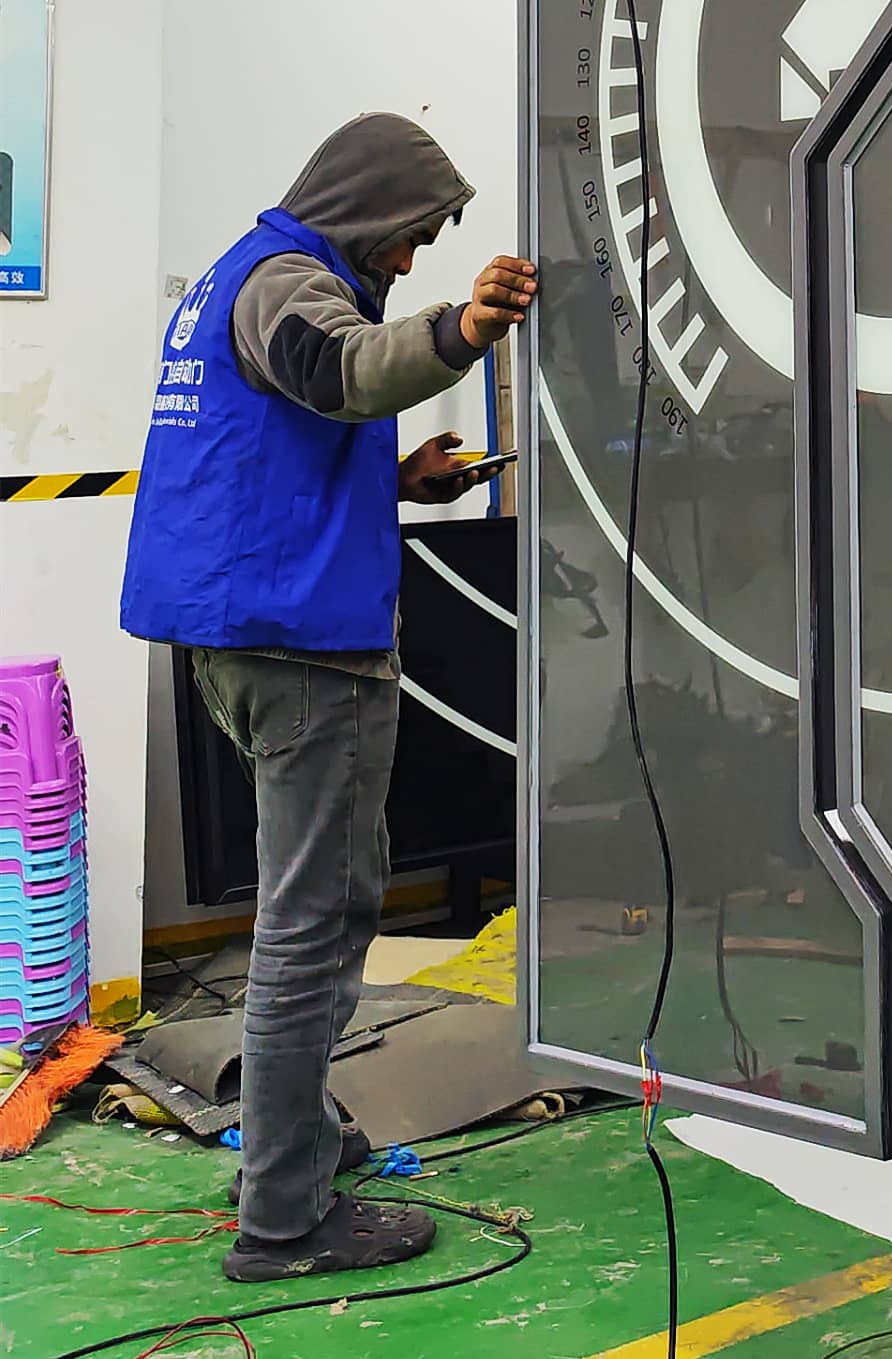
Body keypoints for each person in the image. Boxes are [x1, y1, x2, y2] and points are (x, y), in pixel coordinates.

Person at [120, 113, 536, 1281]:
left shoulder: (237, 279)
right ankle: (285, 1220)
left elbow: (276, 442)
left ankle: (295, 1138)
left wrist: (401, 479)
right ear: (364, 207)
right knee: (315, 925)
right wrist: (464, 329)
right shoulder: (291, 283)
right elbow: (348, 371)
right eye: (408, 237)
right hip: (303, 651)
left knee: (313, 909)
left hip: (239, 634)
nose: (405, 258)